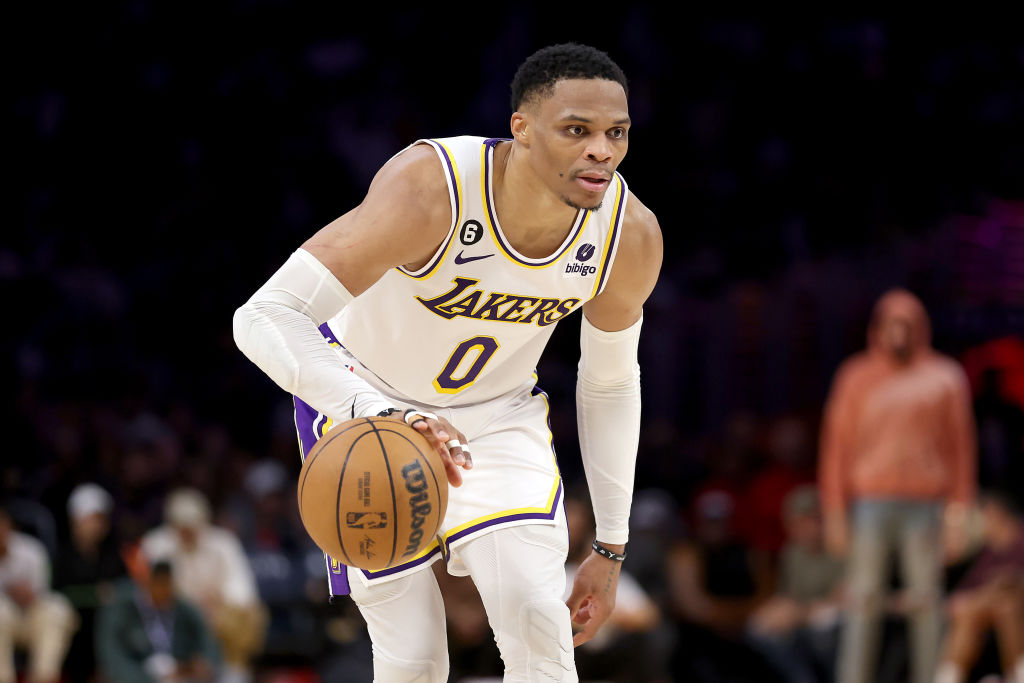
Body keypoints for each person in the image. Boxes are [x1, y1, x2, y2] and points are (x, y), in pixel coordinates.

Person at [233, 42, 662, 682]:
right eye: (578, 130)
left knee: (539, 630)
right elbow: (263, 316)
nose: (601, 149)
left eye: (615, 133)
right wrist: (378, 412)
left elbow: (608, 383)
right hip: (369, 408)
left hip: (495, 416)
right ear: (521, 128)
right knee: (414, 657)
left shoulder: (628, 236)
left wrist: (610, 544)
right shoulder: (433, 189)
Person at [818, 288, 978, 683]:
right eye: (892, 324)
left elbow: (961, 450)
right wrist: (835, 513)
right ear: (878, 327)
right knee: (863, 600)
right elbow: (836, 448)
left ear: (920, 328)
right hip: (870, 503)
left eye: (907, 325)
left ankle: (930, 676)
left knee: (926, 601)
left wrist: (958, 514)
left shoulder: (945, 377)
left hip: (925, 506)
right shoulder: (856, 377)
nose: (899, 333)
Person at [140, 489, 267, 683]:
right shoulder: (155, 545)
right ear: (171, 523)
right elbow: (148, 592)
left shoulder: (224, 543)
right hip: (174, 615)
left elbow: (243, 590)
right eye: (181, 525)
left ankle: (233, 671)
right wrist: (191, 604)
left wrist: (219, 600)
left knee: (249, 614)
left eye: (192, 524)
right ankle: (173, 668)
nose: (187, 530)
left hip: (216, 616)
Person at [746, 485, 844, 683]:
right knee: (759, 630)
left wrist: (800, 612)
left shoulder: (841, 548)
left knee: (823, 634)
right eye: (796, 522)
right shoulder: (792, 553)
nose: (804, 529)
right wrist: (774, 613)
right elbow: (788, 595)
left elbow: (842, 598)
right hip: (803, 617)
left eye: (811, 520)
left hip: (834, 618)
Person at [935, 489, 1024, 683]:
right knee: (968, 614)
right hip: (990, 608)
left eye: (982, 514)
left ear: (997, 513)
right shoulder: (989, 550)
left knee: (1007, 603)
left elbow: (1012, 580)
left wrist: (985, 593)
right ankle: (948, 677)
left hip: (1016, 607)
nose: (979, 521)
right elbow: (968, 588)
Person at [96, 560, 220, 683]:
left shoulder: (181, 607)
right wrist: (146, 679)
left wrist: (205, 662)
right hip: (138, 674)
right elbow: (111, 654)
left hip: (177, 673)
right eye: (160, 586)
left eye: (168, 587)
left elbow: (205, 636)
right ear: (149, 583)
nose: (165, 593)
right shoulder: (123, 608)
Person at [52, 483, 128, 683]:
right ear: (76, 519)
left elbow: (126, 588)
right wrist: (93, 595)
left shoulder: (112, 555)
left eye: (102, 519)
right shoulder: (62, 556)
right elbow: (56, 594)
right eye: (93, 519)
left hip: (107, 628)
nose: (98, 525)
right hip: (75, 632)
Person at [0, 501, 78, 683]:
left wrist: (25, 594)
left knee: (58, 608)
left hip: (31, 615)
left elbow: (42, 592)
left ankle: (43, 677)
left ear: (9, 525)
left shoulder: (31, 549)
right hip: (4, 620)